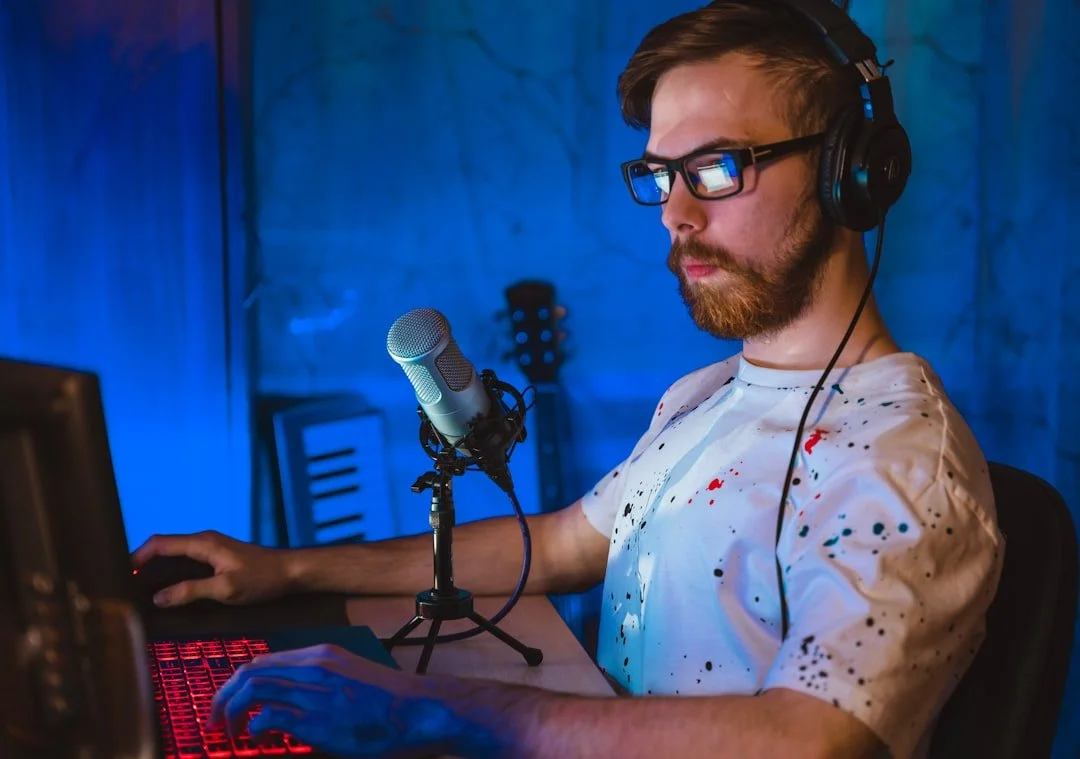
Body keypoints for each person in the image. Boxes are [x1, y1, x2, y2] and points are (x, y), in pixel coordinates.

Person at [134, 2, 1004, 757]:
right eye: (661, 175)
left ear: (850, 174)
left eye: (715, 168)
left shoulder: (899, 463)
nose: (675, 214)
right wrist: (283, 571)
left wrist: (429, 708)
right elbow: (557, 547)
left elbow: (815, 739)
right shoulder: (707, 394)